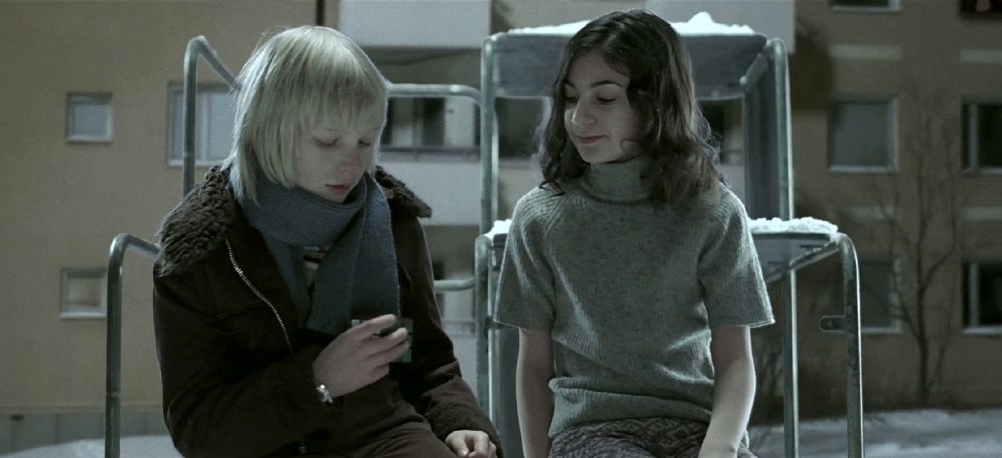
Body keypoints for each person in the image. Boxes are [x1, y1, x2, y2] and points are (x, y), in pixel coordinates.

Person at [152, 25, 499, 458]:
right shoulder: (199, 251)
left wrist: (460, 422)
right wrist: (316, 381)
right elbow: (197, 430)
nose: (353, 163)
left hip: (382, 433)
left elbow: (429, 363)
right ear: (269, 129)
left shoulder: (394, 221)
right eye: (328, 140)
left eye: (365, 141)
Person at [494, 9, 774, 458]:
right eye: (570, 98)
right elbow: (533, 367)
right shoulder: (540, 217)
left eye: (604, 99)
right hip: (591, 430)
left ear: (656, 104)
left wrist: (720, 446)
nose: (578, 118)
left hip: (696, 427)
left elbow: (736, 359)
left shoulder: (714, 212)